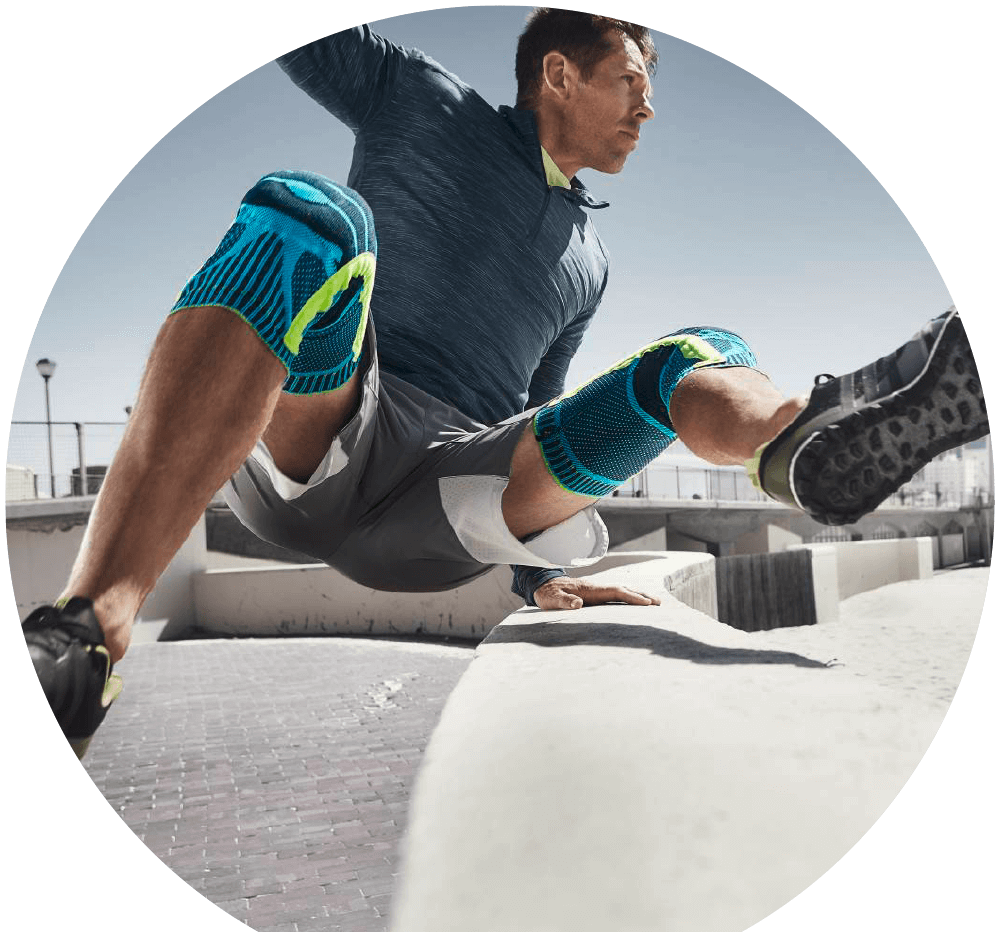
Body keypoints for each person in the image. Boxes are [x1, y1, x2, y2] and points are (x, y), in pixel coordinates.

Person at [23, 12, 985, 761]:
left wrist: (541, 571)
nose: (648, 111)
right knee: (312, 216)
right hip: (323, 428)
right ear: (558, 73)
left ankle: (800, 438)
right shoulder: (413, 95)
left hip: (449, 499)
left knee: (696, 353)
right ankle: (90, 635)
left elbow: (547, 407)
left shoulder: (590, 260)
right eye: (631, 84)